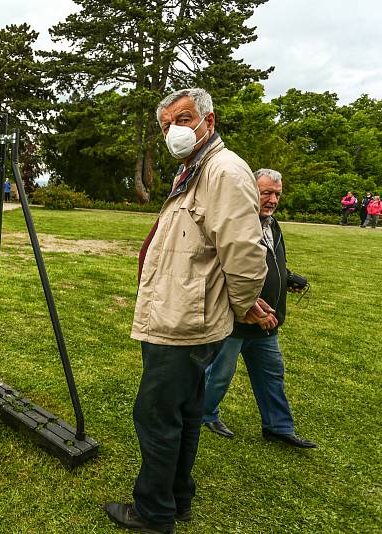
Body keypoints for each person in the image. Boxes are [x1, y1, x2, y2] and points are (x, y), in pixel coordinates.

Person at [105, 88, 268, 534]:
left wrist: (241, 306)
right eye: (166, 126)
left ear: (208, 122)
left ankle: (153, 513)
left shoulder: (223, 171)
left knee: (156, 415)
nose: (174, 131)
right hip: (184, 316)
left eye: (183, 118)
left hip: (184, 323)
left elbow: (245, 254)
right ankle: (177, 500)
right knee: (185, 411)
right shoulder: (195, 170)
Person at [202, 168, 317, 449]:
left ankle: (278, 427)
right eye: (266, 192)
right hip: (237, 320)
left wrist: (287, 277)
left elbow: (268, 262)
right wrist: (248, 304)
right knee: (219, 375)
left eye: (277, 194)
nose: (272, 199)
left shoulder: (272, 224)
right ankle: (203, 413)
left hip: (268, 322)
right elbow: (224, 269)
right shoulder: (237, 224)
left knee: (272, 373)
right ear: (250, 190)